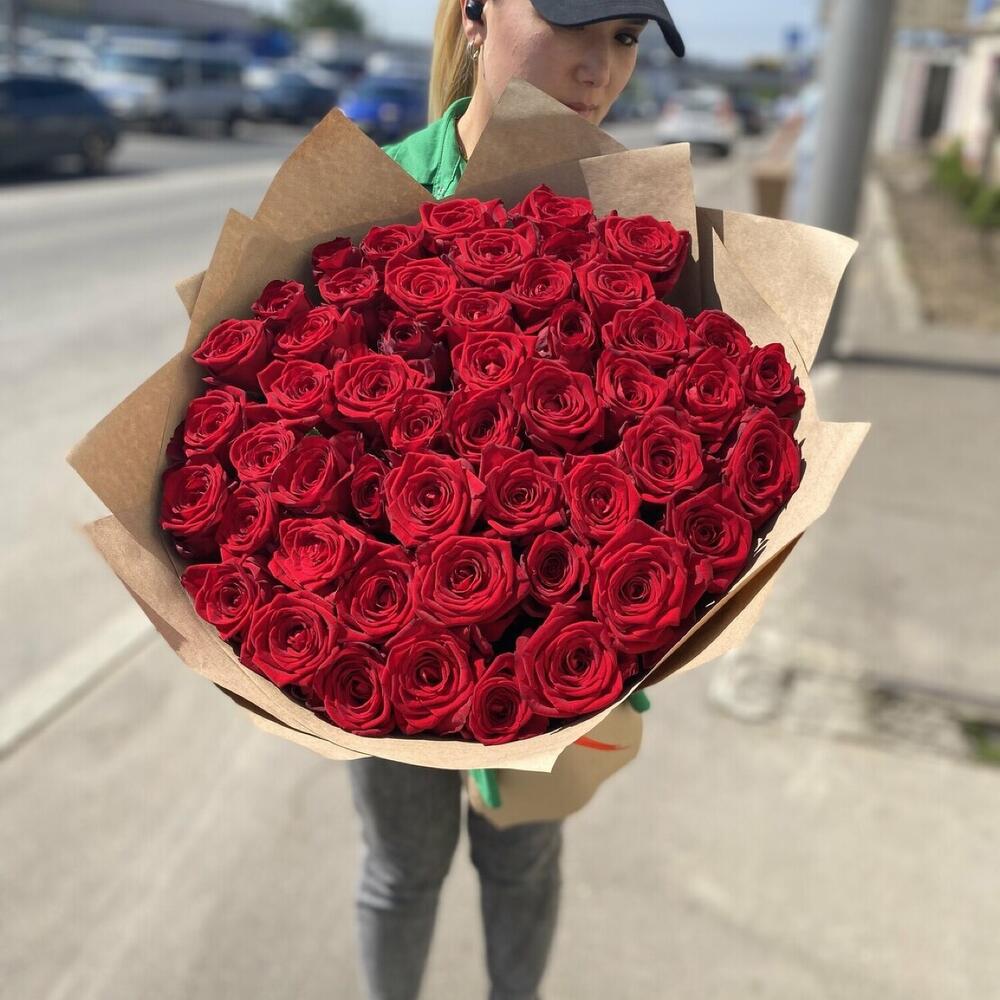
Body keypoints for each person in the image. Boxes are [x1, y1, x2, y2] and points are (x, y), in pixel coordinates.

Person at [347, 4, 685, 1000]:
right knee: (403, 869)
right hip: (382, 641)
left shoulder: (628, 217)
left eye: (625, 37)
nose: (597, 69)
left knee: (523, 860)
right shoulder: (370, 193)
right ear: (475, 14)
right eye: (572, 21)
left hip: (561, 636)